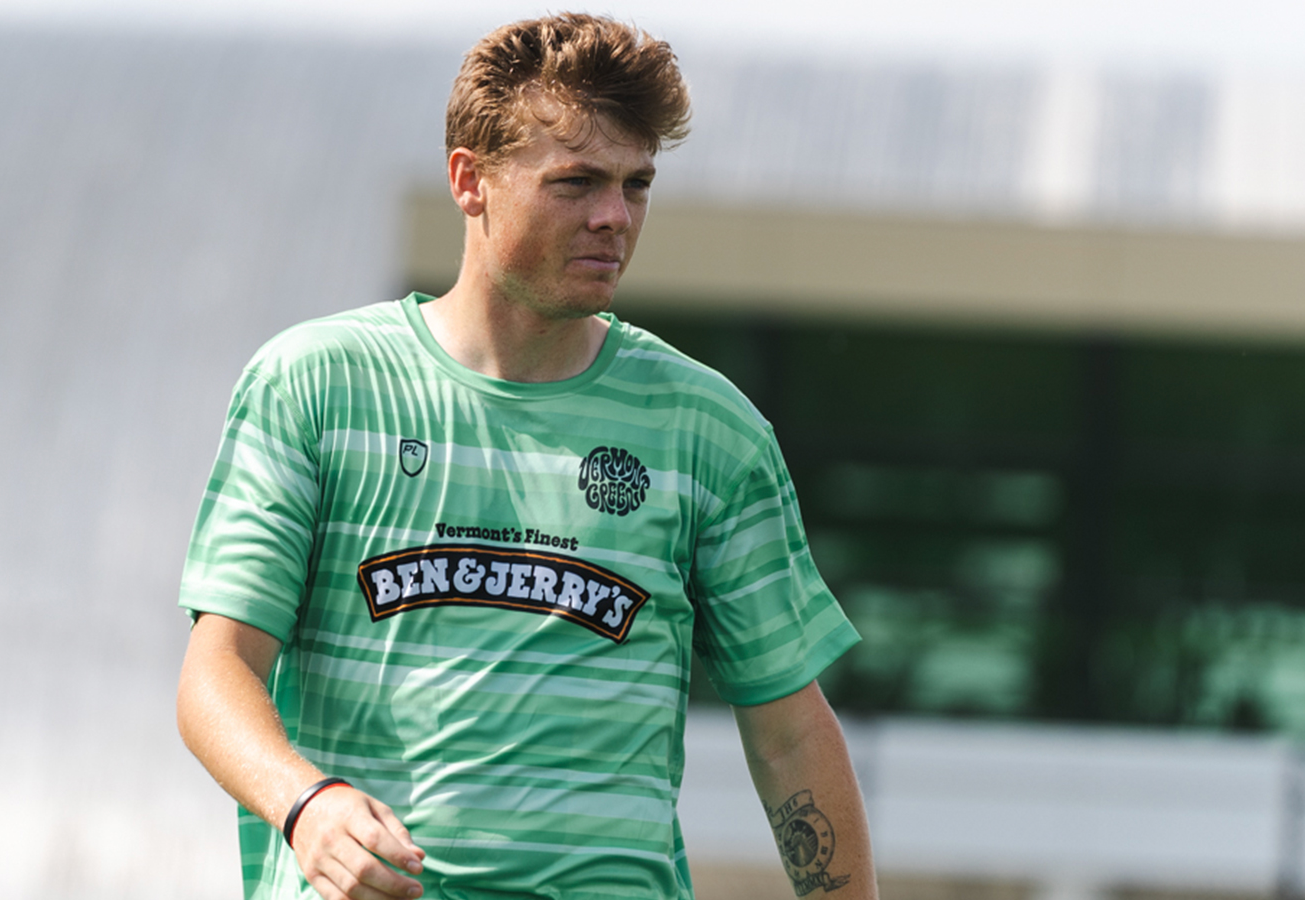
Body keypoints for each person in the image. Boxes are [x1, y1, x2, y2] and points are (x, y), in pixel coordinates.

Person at [176, 12, 877, 900]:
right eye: (576, 182)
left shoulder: (709, 429)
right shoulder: (315, 385)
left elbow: (791, 734)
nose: (614, 216)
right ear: (469, 181)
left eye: (636, 184)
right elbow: (217, 673)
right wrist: (305, 804)